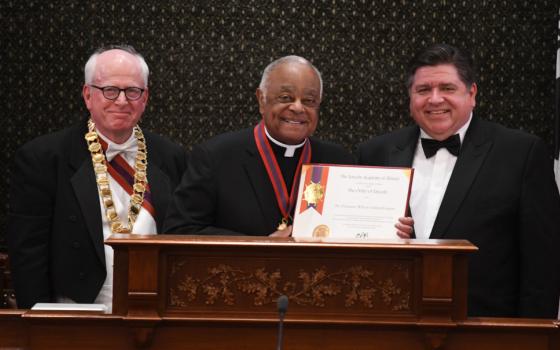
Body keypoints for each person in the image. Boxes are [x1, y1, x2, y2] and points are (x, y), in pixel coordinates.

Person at [357, 43, 560, 318]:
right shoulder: (374, 153)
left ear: (472, 93)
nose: (435, 99)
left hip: (486, 331)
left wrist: (533, 336)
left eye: (447, 88)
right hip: (391, 325)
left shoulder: (521, 153)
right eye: (423, 90)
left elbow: (543, 263)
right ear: (410, 96)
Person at [6, 45, 188, 311]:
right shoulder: (43, 158)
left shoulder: (172, 157)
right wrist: (40, 324)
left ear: (145, 97)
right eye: (110, 90)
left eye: (133, 91)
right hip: (74, 313)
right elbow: (28, 253)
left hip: (154, 310)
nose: (122, 101)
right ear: (87, 95)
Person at [164, 55, 413, 237]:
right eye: (285, 98)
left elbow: (356, 232)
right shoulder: (215, 156)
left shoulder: (338, 160)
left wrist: (392, 229)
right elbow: (180, 230)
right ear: (261, 100)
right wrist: (259, 245)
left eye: (309, 100)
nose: (297, 108)